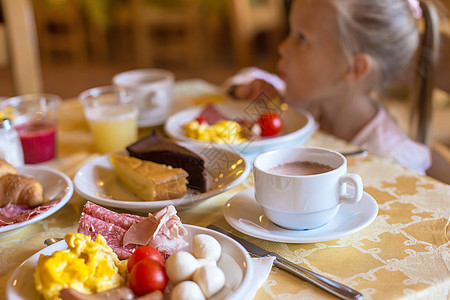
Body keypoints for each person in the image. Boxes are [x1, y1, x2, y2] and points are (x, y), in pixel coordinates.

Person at [223, 0, 441, 174]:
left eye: (301, 38)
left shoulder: (392, 160)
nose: (283, 47)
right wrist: (243, 89)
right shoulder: (300, 103)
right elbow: (247, 78)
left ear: (353, 68)